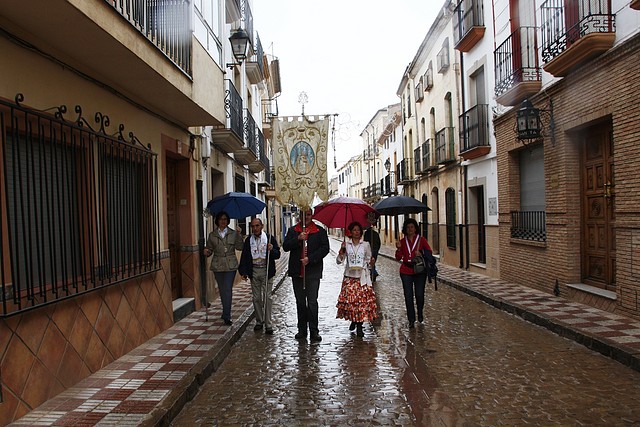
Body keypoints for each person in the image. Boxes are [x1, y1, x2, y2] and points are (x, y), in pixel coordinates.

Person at [282, 208, 330, 342]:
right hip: (297, 272)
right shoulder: (293, 231)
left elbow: (325, 248)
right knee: (300, 302)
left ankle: (314, 331)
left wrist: (310, 259)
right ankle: (302, 330)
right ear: (300, 216)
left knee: (313, 302)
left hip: (313, 272)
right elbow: (285, 246)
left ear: (311, 215)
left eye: (308, 215)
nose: (306, 217)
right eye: (303, 215)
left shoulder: (320, 231)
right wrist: (298, 239)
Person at [336, 221, 379, 337]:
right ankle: (353, 320)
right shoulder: (346, 244)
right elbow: (339, 261)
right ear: (351, 232)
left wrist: (371, 263)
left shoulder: (365, 245)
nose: (356, 232)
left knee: (361, 303)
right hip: (350, 277)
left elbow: (369, 262)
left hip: (361, 277)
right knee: (352, 302)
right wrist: (341, 252)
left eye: (358, 230)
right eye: (354, 230)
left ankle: (359, 326)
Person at [239, 218, 281, 335]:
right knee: (256, 298)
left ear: (262, 226)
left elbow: (277, 254)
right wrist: (243, 271)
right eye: (253, 226)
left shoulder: (269, 238)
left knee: (267, 297)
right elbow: (245, 256)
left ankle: (268, 324)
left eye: (257, 226)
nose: (255, 228)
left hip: (266, 270)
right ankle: (259, 320)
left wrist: (272, 249)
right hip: (254, 271)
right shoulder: (248, 240)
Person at [204, 211, 244, 325]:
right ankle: (225, 311)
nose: (223, 221)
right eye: (221, 219)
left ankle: (227, 315)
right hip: (217, 265)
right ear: (217, 221)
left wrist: (239, 235)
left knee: (227, 289)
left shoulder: (233, 233)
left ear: (228, 221)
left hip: (230, 265)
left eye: (225, 219)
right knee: (222, 290)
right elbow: (210, 250)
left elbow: (240, 247)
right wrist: (207, 251)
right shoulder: (212, 235)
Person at [395, 217, 433, 328]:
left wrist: (421, 253)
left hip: (420, 271)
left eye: (412, 227)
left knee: (420, 295)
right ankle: (411, 319)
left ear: (415, 228)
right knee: (408, 296)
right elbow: (398, 258)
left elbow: (429, 252)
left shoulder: (421, 240)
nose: (410, 229)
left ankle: (420, 312)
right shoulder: (402, 242)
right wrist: (398, 249)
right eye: (408, 227)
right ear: (405, 229)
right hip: (406, 271)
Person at [363, 212, 381, 283]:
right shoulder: (376, 233)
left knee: (370, 263)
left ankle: (374, 273)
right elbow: (379, 243)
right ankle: (374, 273)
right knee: (372, 262)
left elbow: (365, 241)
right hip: (375, 250)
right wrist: (377, 249)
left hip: (371, 250)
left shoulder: (367, 234)